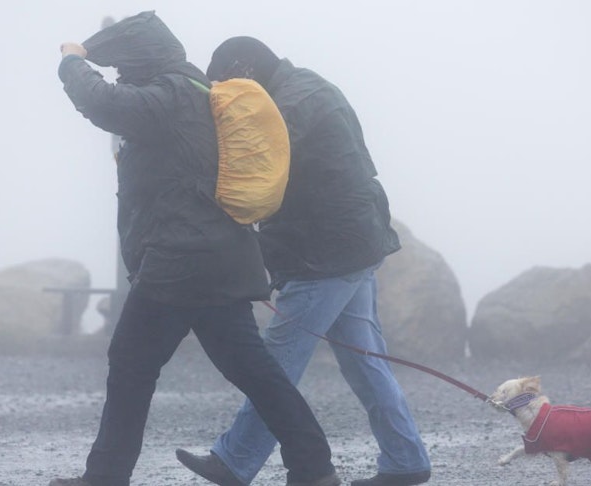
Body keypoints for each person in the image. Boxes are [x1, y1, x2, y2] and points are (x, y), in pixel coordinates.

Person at [50, 13, 340, 486]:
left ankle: (105, 476)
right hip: (211, 261)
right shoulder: (188, 89)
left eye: (127, 69)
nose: (124, 78)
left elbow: (102, 102)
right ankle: (314, 467)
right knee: (253, 371)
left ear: (143, 61)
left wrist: (71, 62)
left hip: (181, 262)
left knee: (131, 364)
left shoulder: (171, 94)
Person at [175, 37, 431, 486]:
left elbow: (254, 161)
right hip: (357, 242)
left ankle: (235, 460)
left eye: (228, 83)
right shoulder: (308, 88)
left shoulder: (287, 106)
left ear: (245, 71)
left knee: (277, 360)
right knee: (365, 362)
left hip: (325, 254)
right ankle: (406, 461)